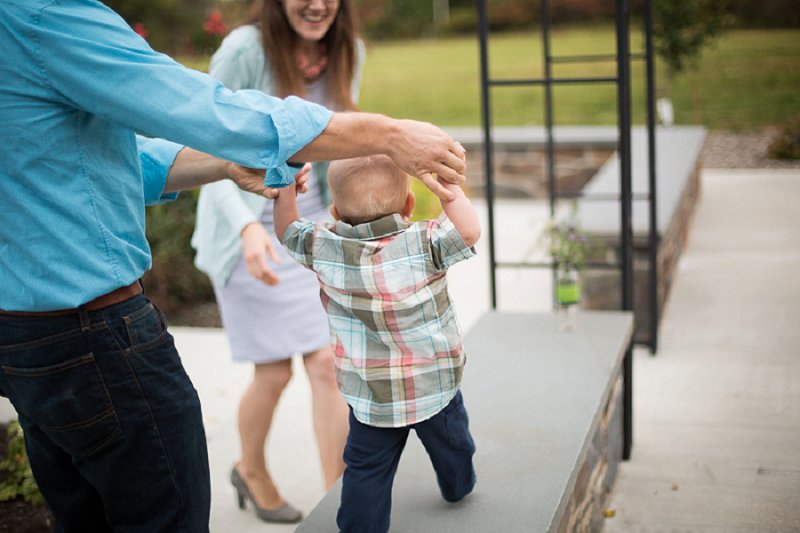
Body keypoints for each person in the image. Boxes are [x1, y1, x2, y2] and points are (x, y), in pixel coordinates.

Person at [0, 1, 466, 531]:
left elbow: (110, 161)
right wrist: (388, 134)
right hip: (92, 335)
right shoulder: (42, 16)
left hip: (25, 335)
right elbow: (205, 112)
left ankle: (335, 491)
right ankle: (257, 470)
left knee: (322, 365)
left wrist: (225, 164)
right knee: (183, 491)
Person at [191, 0, 363, 522]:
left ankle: (340, 503)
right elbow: (203, 147)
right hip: (246, 227)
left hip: (310, 229)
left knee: (328, 365)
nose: (317, 4)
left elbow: (341, 142)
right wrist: (246, 229)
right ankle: (251, 469)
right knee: (273, 373)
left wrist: (355, 217)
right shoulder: (245, 50)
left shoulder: (348, 50)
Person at [274, 155, 480, 533]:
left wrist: (286, 186)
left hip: (372, 397)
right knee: (454, 446)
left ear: (335, 211)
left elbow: (287, 228)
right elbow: (468, 232)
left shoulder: (324, 247)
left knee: (366, 471)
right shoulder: (425, 243)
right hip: (434, 386)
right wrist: (448, 186)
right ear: (409, 204)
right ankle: (458, 485)